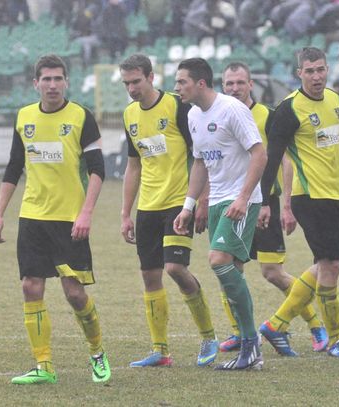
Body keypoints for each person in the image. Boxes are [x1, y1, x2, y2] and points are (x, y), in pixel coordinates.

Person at [0, 54, 111, 385]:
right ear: (36, 83)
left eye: (58, 79)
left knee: (74, 293)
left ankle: (97, 353)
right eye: (47, 79)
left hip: (69, 219)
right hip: (32, 216)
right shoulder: (24, 117)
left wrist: (86, 212)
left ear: (66, 82)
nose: (53, 85)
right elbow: (14, 167)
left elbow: (98, 170)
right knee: (30, 286)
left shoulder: (81, 116)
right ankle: (44, 365)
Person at [218, 61, 329, 354]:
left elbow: (285, 160)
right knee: (228, 269)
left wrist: (284, 204)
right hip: (230, 203)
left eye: (240, 83)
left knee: (272, 272)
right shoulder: (216, 116)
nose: (234, 88)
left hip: (262, 203)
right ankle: (240, 333)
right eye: (229, 83)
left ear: (251, 84)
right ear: (222, 86)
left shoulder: (267, 115)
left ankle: (315, 325)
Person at [257, 47, 339, 358]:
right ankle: (336, 339)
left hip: (333, 195)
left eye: (320, 70)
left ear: (328, 70)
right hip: (309, 195)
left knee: (326, 263)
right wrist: (266, 202)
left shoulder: (335, 100)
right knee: (332, 265)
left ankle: (276, 324)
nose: (316, 76)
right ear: (299, 73)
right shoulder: (288, 110)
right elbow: (272, 157)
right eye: (309, 71)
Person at [119, 53, 218, 368]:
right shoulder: (129, 114)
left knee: (175, 269)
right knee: (150, 276)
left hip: (179, 202)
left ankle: (208, 337)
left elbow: (201, 156)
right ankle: (160, 350)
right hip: (147, 207)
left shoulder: (178, 108)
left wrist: (202, 199)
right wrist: (125, 213)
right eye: (126, 83)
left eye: (136, 81)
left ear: (151, 77)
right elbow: (133, 166)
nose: (132, 88)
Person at [173, 57, 266, 370]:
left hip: (240, 200)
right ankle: (249, 348)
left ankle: (251, 342)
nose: (177, 88)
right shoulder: (193, 115)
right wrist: (189, 206)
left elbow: (259, 154)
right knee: (232, 273)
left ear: (200, 83)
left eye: (182, 82)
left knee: (218, 260)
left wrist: (243, 198)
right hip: (216, 201)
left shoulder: (232, 110)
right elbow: (200, 163)